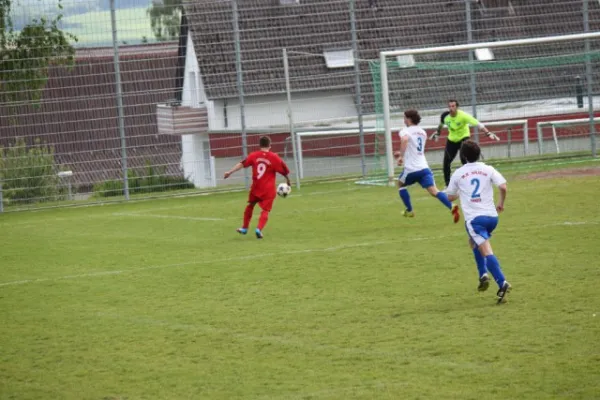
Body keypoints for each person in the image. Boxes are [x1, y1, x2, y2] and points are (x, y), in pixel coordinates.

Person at [444, 140, 511, 304]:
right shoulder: (488, 169)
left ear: (463, 156)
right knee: (473, 242)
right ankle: (483, 274)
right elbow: (503, 187)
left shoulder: (459, 173)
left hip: (475, 220)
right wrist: (501, 203)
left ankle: (502, 282)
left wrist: (461, 192)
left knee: (486, 250)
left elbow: (449, 196)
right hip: (492, 217)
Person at [394, 109, 460, 223]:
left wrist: (401, 156)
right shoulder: (422, 132)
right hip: (424, 168)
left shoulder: (405, 131)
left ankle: (409, 210)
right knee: (435, 192)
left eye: (404, 118)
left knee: (400, 184)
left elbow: (405, 140)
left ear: (409, 119)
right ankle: (451, 206)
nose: (403, 120)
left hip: (411, 169)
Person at [223, 136, 291, 239]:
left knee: (250, 205)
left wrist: (230, 172)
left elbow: (242, 164)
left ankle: (244, 228)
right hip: (268, 190)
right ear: (270, 145)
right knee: (265, 210)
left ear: (260, 145)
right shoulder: (274, 157)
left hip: (256, 187)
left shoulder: (254, 155)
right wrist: (288, 180)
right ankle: (258, 229)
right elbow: (284, 171)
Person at [430, 100, 500, 187]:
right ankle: (448, 185)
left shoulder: (463, 115)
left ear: (457, 107)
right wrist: (438, 133)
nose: (451, 108)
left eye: (453, 106)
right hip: (452, 140)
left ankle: (470, 182)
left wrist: (488, 133)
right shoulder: (445, 116)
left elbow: (478, 124)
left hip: (464, 139)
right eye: (450, 106)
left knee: (465, 161)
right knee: (446, 162)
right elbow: (441, 125)